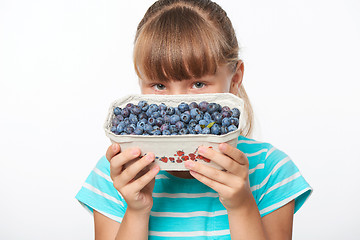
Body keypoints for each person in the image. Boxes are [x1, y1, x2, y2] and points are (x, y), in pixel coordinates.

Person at [75, 0, 312, 239]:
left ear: (235, 79)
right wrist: (136, 211)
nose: (178, 105)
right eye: (159, 85)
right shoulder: (116, 176)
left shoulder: (271, 170)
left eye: (198, 84)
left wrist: (241, 206)